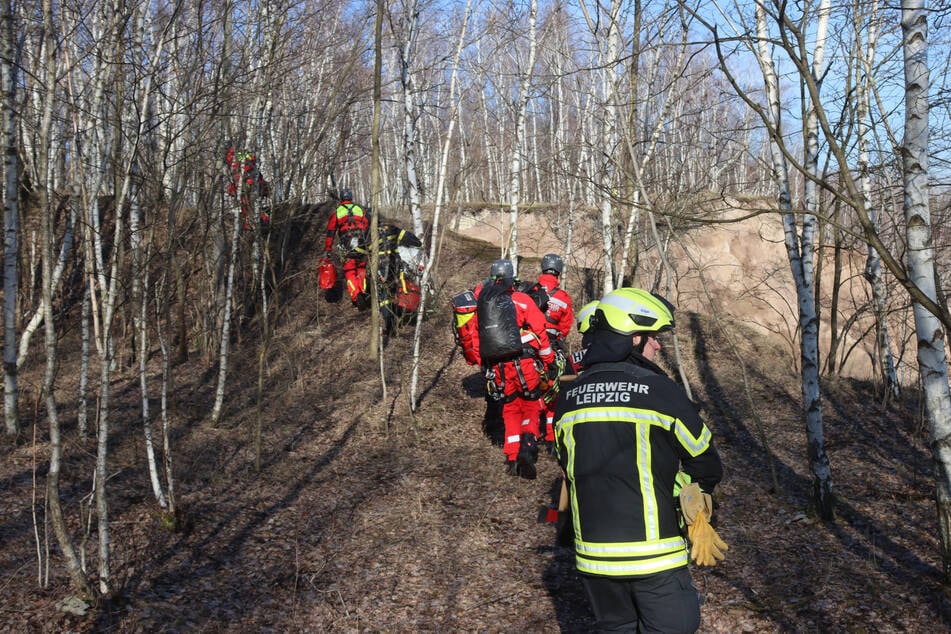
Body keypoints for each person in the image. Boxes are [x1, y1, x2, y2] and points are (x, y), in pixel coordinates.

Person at [553, 287, 726, 633]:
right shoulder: (661, 392)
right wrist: (683, 493)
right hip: (654, 555)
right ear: (632, 339)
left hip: (594, 560)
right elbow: (707, 465)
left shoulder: (568, 399)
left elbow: (567, 466)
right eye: (650, 337)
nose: (657, 345)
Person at [478, 259, 556, 479]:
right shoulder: (521, 300)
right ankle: (527, 447)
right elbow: (540, 331)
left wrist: (485, 367)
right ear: (512, 278)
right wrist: (548, 360)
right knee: (530, 406)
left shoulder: (484, 304)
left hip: (499, 367)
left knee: (510, 409)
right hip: (524, 363)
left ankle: (512, 456)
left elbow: (479, 338)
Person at [536, 253, 574, 445]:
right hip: (552, 347)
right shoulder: (563, 297)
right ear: (558, 271)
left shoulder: (529, 290)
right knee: (553, 391)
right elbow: (565, 326)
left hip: (528, 347)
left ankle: (529, 436)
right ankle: (551, 438)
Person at [324, 188, 370, 309]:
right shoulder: (360, 209)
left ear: (341, 198)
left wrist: (328, 249)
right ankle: (363, 292)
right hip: (362, 244)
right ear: (351, 197)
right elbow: (367, 225)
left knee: (350, 271)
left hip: (347, 246)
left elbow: (330, 232)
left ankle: (356, 296)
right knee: (361, 269)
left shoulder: (337, 212)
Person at [226, 148, 271, 229]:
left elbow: (250, 160)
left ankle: (262, 220)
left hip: (250, 185)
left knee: (250, 206)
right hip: (246, 186)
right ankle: (254, 222)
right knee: (247, 207)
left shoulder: (237, 154)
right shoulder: (234, 156)